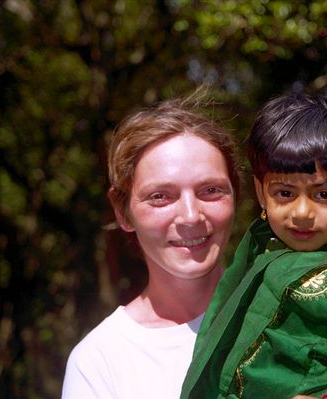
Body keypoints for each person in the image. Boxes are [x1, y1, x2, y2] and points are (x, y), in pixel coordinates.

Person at [180, 93, 327, 399]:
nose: (302, 213)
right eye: (284, 193)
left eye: (323, 195)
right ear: (260, 191)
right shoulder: (263, 249)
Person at [61, 96, 241, 399]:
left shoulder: (290, 307)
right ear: (122, 212)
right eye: (160, 196)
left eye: (210, 190)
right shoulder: (98, 362)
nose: (190, 215)